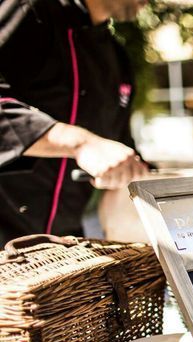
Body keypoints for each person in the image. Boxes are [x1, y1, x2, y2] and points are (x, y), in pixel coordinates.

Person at [0, 0, 150, 246]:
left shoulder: (117, 58)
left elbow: (122, 156)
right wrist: (81, 144)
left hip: (65, 253)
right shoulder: (27, 11)